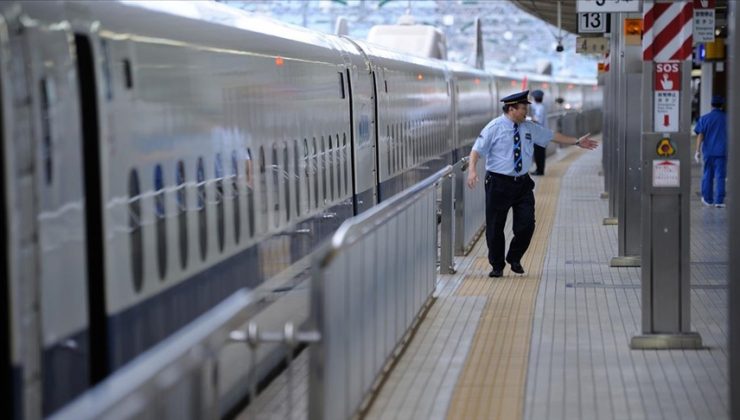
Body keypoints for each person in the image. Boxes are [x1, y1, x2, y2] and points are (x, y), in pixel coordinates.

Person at [466, 90, 598, 278]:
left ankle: (514, 257)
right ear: (511, 109)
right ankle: (497, 265)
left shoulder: (528, 127)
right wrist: (472, 170)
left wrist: (576, 142)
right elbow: (476, 150)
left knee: (527, 225)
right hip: (498, 183)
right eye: (522, 109)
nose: (526, 113)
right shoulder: (493, 127)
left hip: (522, 184)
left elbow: (552, 135)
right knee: (495, 227)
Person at [694, 94, 727, 208]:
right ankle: (719, 201)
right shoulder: (727, 118)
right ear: (722, 105)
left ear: (711, 105)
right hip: (722, 152)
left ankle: (708, 199)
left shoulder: (704, 118)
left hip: (708, 152)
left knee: (707, 175)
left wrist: (697, 151)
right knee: (720, 176)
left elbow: (700, 135)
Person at [529, 89, 548, 175]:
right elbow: (532, 105)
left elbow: (537, 120)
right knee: (539, 153)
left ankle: (540, 171)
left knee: (539, 153)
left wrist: (527, 119)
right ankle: (539, 169)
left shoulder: (540, 108)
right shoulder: (540, 106)